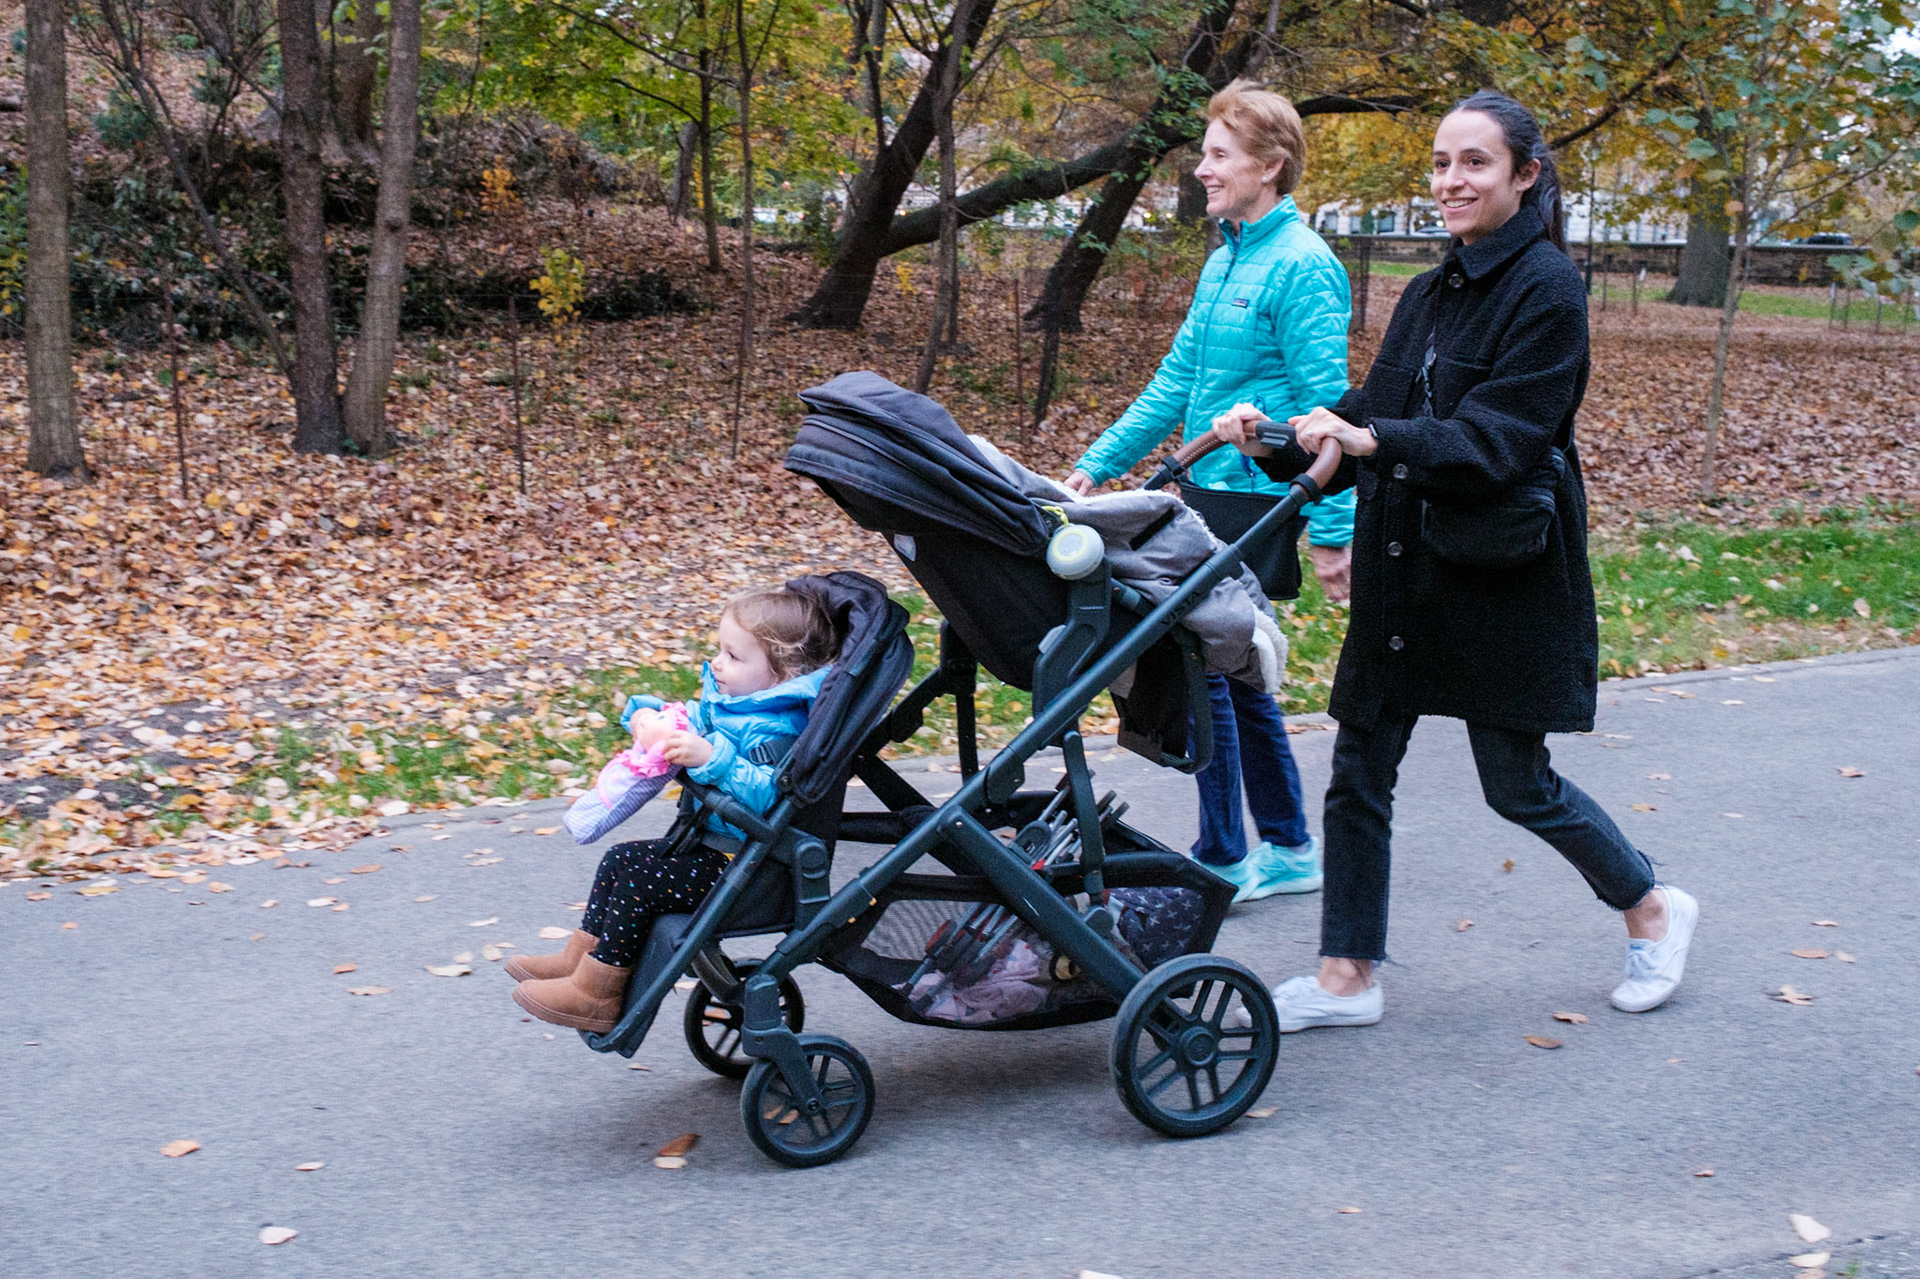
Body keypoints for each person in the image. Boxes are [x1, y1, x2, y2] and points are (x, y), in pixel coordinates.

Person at [1215, 89, 1698, 1029]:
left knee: (1516, 784)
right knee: (1359, 766)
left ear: (1525, 174)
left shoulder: (1548, 290)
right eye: (1441, 163)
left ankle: (1651, 905)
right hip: (1405, 566)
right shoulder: (1431, 290)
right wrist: (1278, 434)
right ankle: (1348, 974)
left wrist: (1374, 440)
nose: (1451, 181)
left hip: (1498, 571)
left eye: (1474, 162)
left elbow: (1500, 439)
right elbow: (1373, 407)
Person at [1064, 80, 1355, 903]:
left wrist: (1334, 531)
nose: (1202, 169)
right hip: (1204, 497)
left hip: (1256, 502)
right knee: (1237, 672)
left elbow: (1330, 412)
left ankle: (1224, 854)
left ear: (1270, 165)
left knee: (1207, 665)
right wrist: (1097, 464)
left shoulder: (1304, 265)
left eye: (1220, 154)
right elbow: (1175, 381)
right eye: (1205, 153)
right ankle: (1291, 847)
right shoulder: (1227, 256)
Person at [507, 587, 840, 1033]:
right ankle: (579, 962)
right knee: (620, 858)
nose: (717, 663)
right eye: (719, 650)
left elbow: (767, 796)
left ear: (783, 673)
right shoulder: (734, 706)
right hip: (717, 850)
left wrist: (712, 759)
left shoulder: (778, 728)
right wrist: (647, 719)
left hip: (748, 868)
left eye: (733, 656)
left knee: (640, 883)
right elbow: (686, 721)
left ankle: (598, 994)